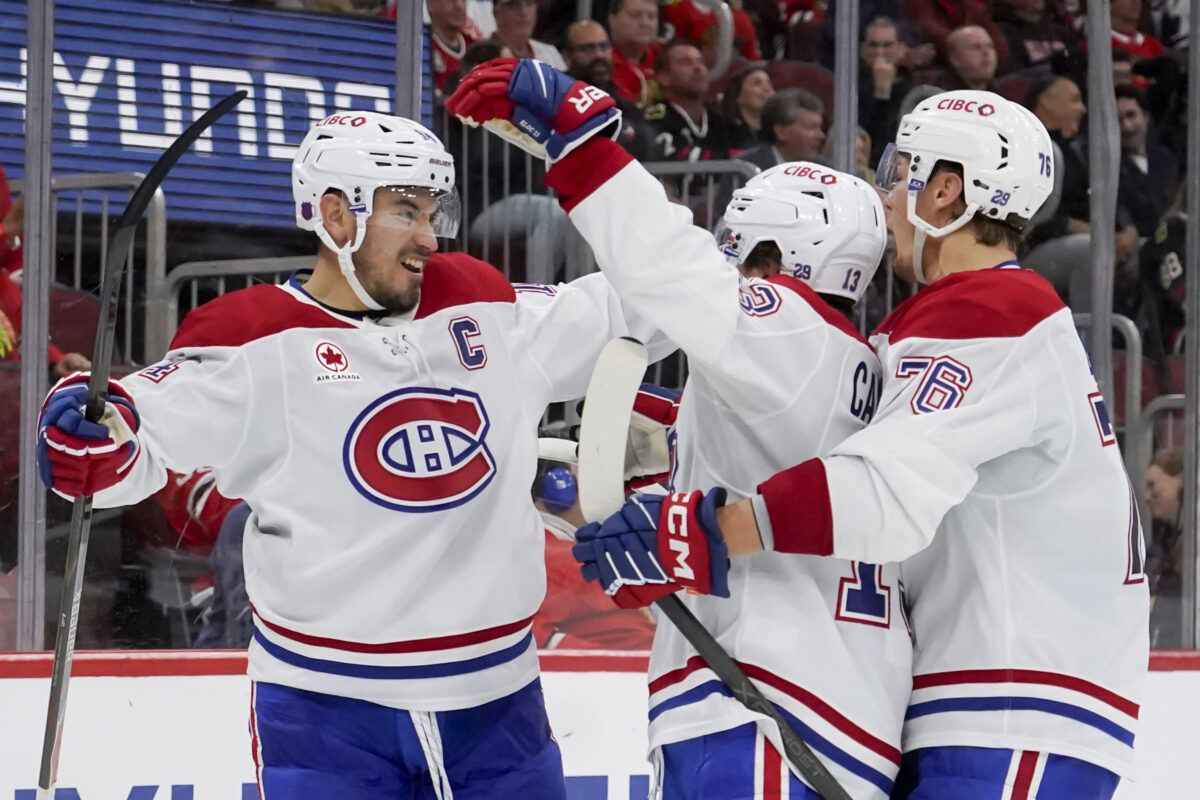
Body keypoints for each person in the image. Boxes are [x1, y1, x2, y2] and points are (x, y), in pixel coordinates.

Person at [35, 110, 670, 797]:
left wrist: (731, 259)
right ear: (336, 216)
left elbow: (649, 302)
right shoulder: (253, 341)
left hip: (498, 704)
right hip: (325, 717)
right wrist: (89, 430)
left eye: (433, 212)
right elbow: (127, 450)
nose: (429, 237)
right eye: (406, 211)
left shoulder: (484, 310)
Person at [576, 90, 1150, 798]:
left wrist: (701, 532)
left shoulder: (990, 309)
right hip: (988, 700)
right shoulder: (956, 320)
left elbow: (883, 490)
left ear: (946, 190)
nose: (884, 194)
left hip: (1013, 703)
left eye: (898, 169)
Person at [449, 59, 911, 798]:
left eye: (736, 250)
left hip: (764, 710)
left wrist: (587, 143)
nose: (725, 265)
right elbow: (726, 488)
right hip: (840, 712)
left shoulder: (783, 327)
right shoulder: (850, 370)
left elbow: (668, 273)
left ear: (773, 254)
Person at [736, 88, 828, 171]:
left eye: (820, 127)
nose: (821, 135)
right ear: (781, 132)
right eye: (811, 128)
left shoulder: (825, 170)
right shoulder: (743, 170)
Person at [608, 0, 663, 106]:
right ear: (612, 19)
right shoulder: (600, 63)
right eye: (635, 15)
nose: (645, 23)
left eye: (651, 16)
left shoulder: (666, 58)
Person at [717, 66, 775, 150]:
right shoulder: (723, 133)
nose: (767, 89)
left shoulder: (779, 133)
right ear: (737, 96)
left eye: (769, 84)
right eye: (757, 83)